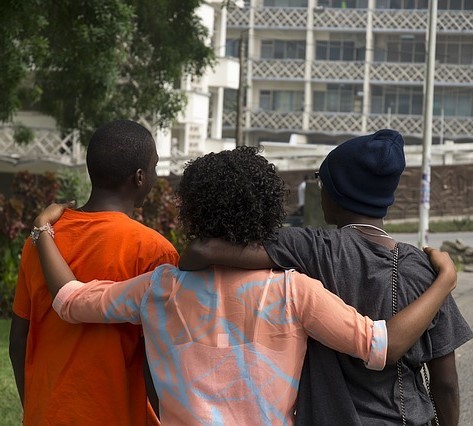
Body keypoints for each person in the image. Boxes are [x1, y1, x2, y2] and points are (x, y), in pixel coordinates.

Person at [32, 146, 457, 425]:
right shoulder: (295, 292)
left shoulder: (156, 290)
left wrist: (42, 232)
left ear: (191, 210)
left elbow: (68, 301)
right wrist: (445, 281)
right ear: (268, 210)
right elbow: (381, 346)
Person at [179, 130, 473, 425]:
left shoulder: (311, 249)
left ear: (336, 191)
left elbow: (203, 250)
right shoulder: (426, 269)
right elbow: (445, 382)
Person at [9, 120, 179, 425]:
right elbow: (160, 360)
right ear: (140, 177)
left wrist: (34, 410)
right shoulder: (155, 251)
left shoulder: (41, 238)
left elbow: (19, 339)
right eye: (153, 168)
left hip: (47, 414)